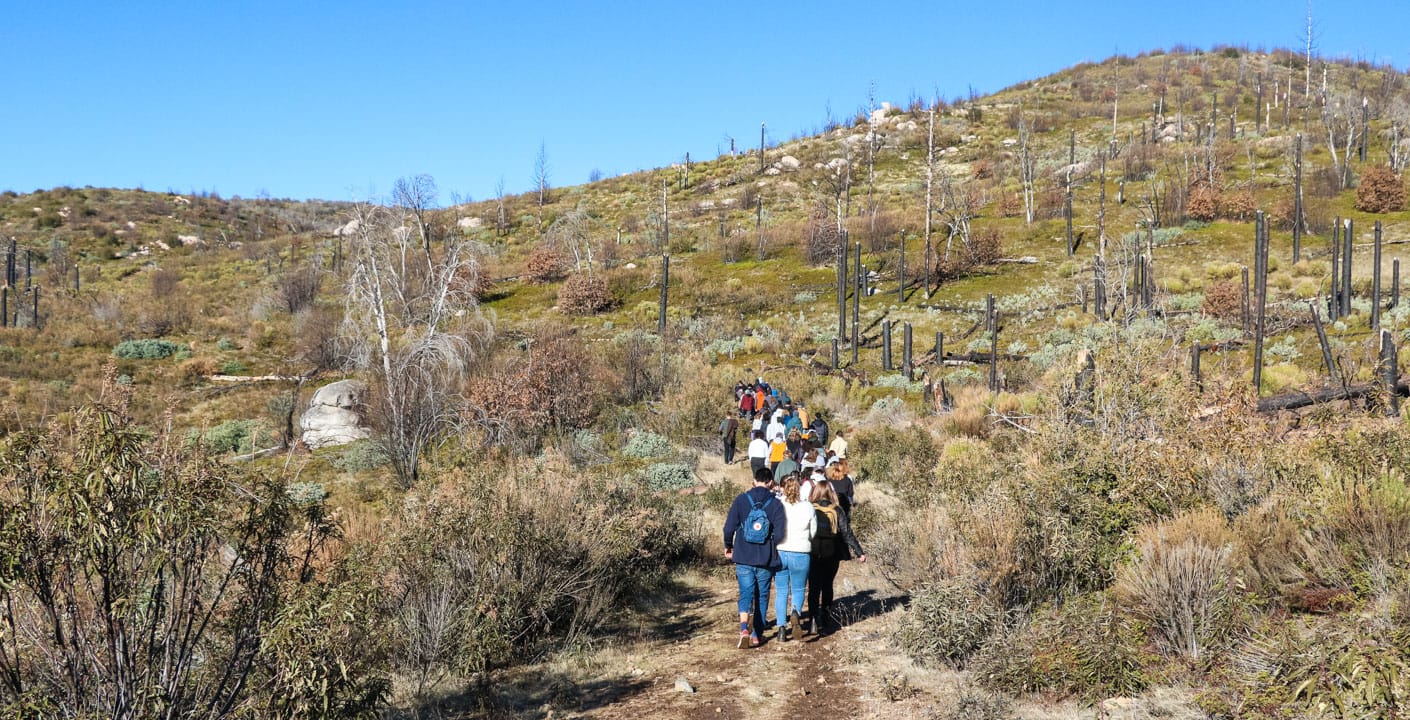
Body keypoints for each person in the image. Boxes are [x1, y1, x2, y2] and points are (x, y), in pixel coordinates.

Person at [724, 467, 788, 648]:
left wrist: (728, 546)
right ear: (770, 483)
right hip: (765, 558)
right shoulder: (776, 504)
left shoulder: (741, 500)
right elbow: (781, 533)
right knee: (762, 595)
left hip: (743, 555)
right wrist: (770, 541)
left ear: (754, 480)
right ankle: (756, 634)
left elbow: (728, 528)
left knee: (746, 593)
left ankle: (744, 627)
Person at [806, 480, 865, 635]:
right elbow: (846, 532)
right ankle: (825, 618)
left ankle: (812, 618)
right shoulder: (837, 509)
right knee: (827, 585)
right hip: (831, 552)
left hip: (812, 551)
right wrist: (859, 552)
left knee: (813, 586)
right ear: (830, 493)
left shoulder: (809, 508)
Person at [773, 473, 814, 642]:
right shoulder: (808, 507)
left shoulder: (777, 505)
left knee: (781, 591)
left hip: (781, 551)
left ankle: (781, 628)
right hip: (801, 552)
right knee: (798, 589)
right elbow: (813, 532)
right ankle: (795, 613)